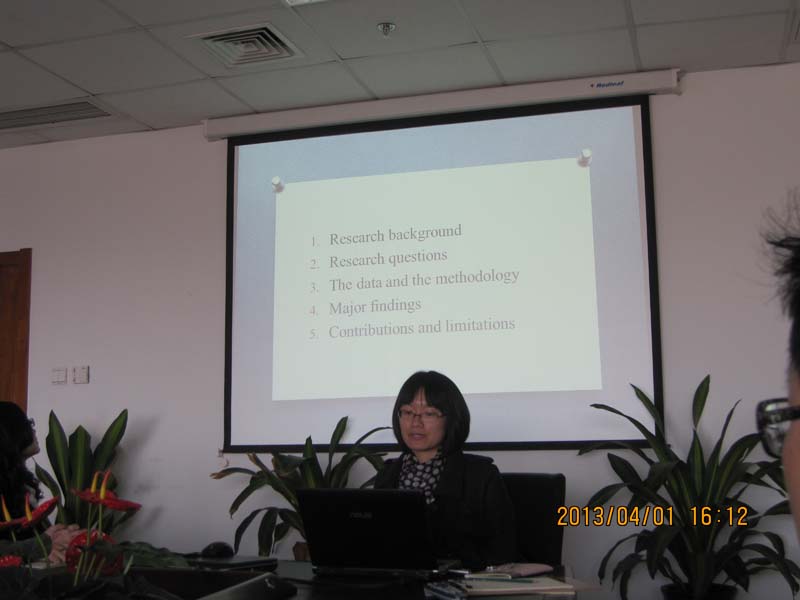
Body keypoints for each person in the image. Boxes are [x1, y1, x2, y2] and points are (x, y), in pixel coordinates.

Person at [374, 370, 517, 569]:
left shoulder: (481, 477)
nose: (415, 423)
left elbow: (503, 554)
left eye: (429, 413)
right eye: (407, 412)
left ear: (451, 419)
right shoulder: (387, 476)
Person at [0, 401, 81, 562]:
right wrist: (42, 546)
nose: (33, 430)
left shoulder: (22, 485)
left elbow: (40, 540)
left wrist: (63, 538)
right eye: (26, 425)